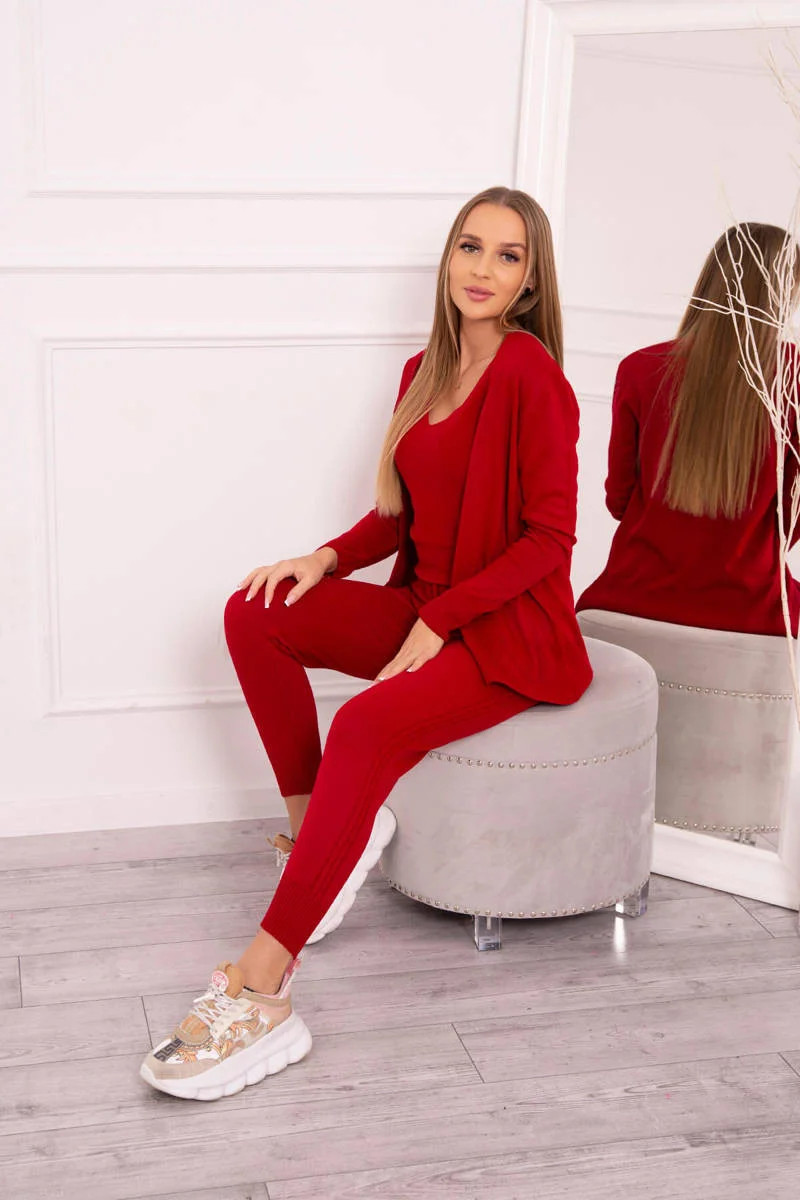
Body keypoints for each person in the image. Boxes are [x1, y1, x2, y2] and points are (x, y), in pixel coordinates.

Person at [140, 186, 593, 1101]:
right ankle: (318, 835)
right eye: (470, 246)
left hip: (508, 635)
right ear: (449, 257)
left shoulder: (531, 373)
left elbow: (550, 539)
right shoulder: (423, 371)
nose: (482, 268)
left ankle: (263, 992)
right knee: (254, 611)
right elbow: (399, 517)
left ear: (532, 280)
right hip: (427, 603)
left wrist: (442, 619)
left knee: (363, 725)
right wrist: (325, 558)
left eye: (508, 255)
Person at [577, 223, 800, 638]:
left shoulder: (640, 369)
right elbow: (793, 518)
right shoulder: (794, 378)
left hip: (629, 598)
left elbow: (619, 499)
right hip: (753, 610)